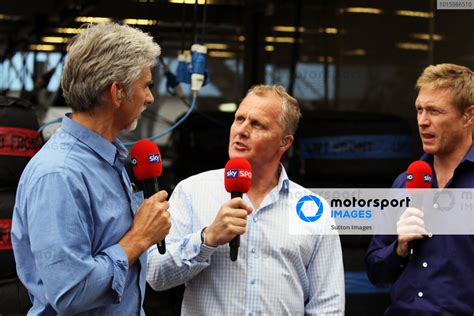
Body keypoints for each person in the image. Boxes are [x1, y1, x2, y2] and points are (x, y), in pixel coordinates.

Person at [11, 23, 171, 315]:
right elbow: (70, 293)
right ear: (117, 92)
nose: (150, 98)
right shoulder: (60, 174)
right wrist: (138, 239)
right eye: (145, 85)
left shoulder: (106, 160)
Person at [147, 84, 345, 315]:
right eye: (239, 119)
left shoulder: (314, 209)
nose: (241, 130)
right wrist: (206, 239)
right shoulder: (192, 191)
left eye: (257, 124)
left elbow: (328, 305)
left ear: (285, 142)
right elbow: (155, 276)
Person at [366, 63, 474, 315]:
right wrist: (399, 249)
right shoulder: (404, 183)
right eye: (419, 110)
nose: (423, 121)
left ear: (469, 116)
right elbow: (375, 270)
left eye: (435, 111)